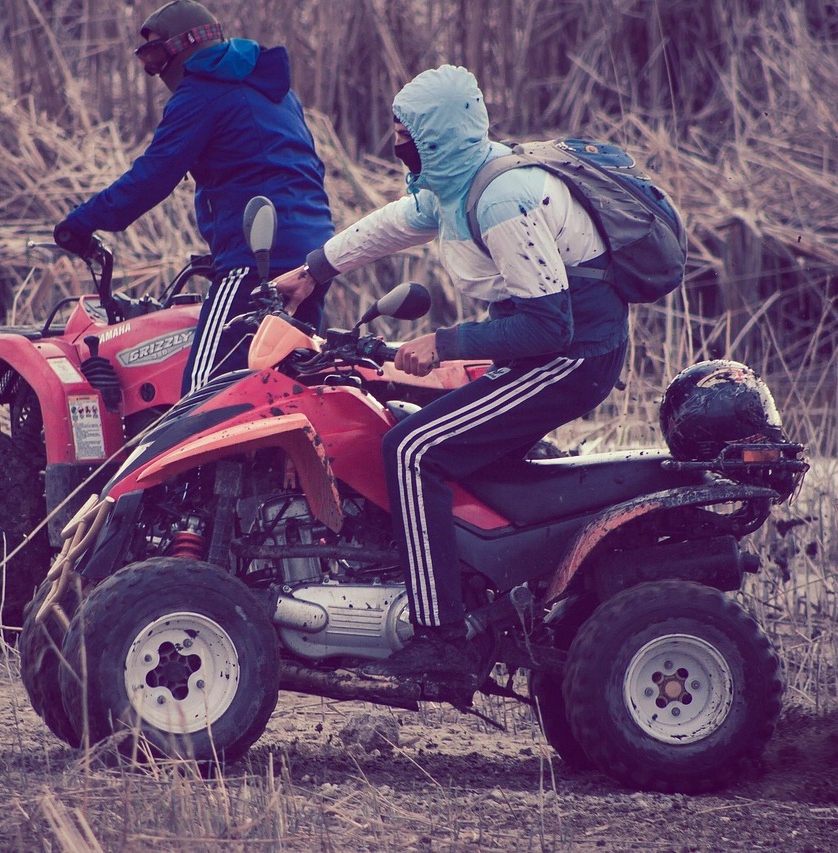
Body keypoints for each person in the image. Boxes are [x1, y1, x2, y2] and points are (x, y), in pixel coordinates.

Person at [273, 65, 629, 699]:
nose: (395, 141)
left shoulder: (500, 198)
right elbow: (389, 225)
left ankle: (443, 642)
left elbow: (549, 326)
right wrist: (312, 271)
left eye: (403, 130)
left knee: (412, 453)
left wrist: (444, 342)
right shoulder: (456, 184)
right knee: (411, 423)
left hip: (571, 358)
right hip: (544, 351)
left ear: (435, 135)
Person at [53, 0, 335, 394]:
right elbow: (300, 167)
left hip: (257, 259)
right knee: (282, 384)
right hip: (316, 254)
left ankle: (205, 460)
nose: (153, 71)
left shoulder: (201, 93)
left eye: (154, 56)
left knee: (204, 392)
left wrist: (80, 223)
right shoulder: (272, 88)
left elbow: (152, 177)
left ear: (181, 49)